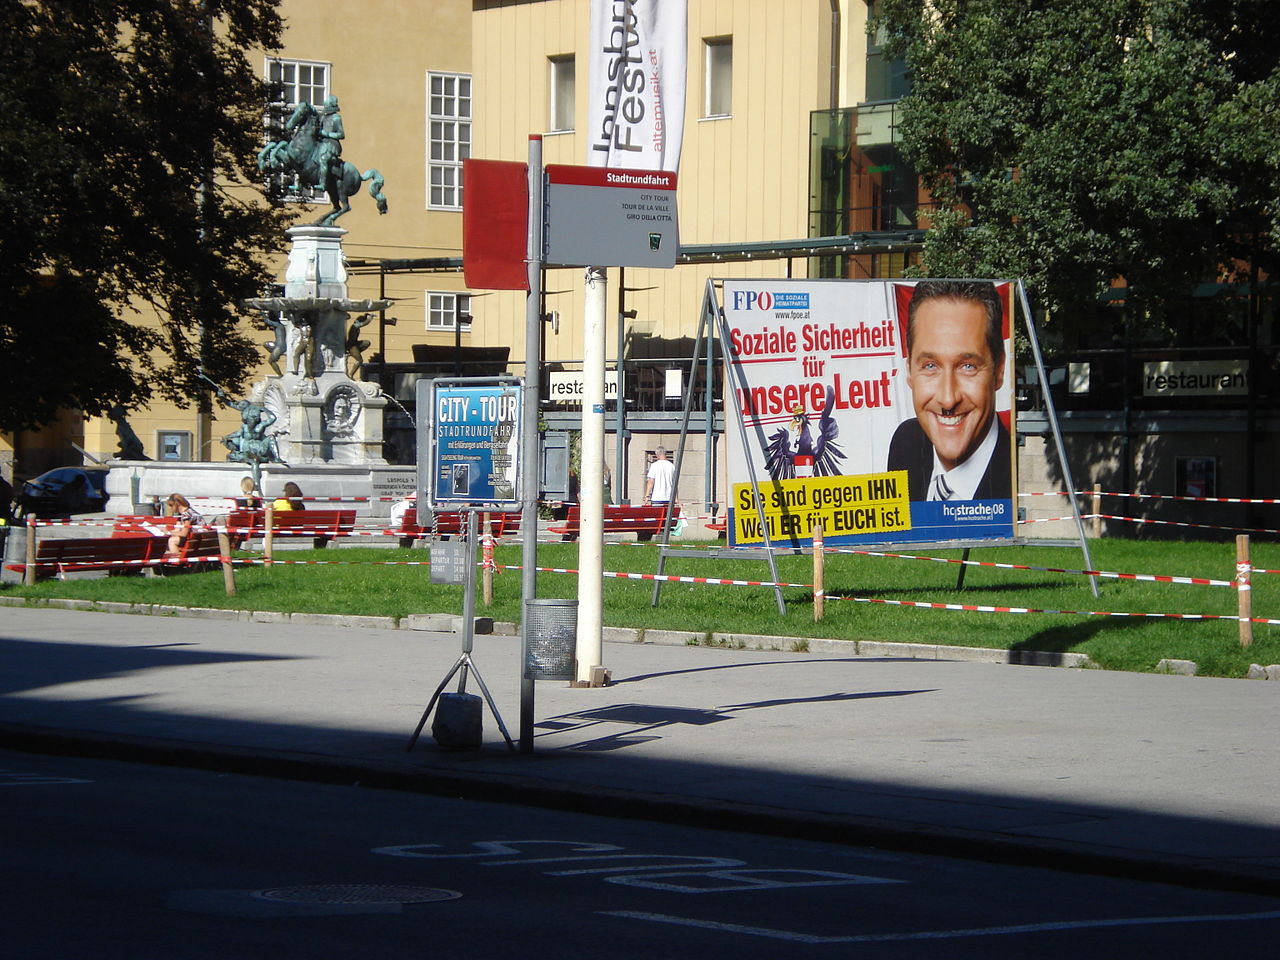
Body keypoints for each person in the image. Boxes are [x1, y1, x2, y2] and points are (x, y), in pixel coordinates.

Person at [886, 280, 1012, 502]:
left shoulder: (1016, 475)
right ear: (909, 369)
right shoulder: (906, 443)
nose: (947, 399)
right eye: (930, 366)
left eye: (968, 366)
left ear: (999, 370)